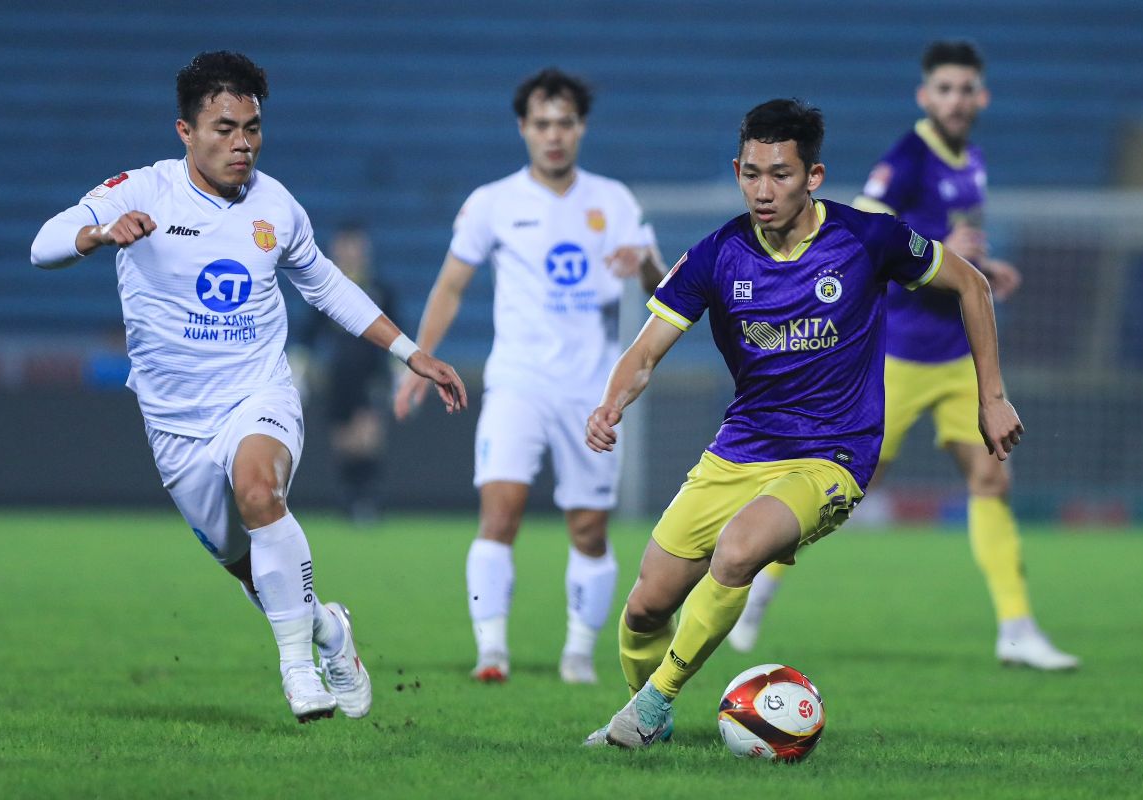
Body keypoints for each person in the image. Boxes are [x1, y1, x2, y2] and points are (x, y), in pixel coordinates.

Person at [30, 51, 467, 722]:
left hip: (256, 391)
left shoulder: (276, 207)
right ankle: (329, 631)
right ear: (186, 132)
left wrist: (411, 353)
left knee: (261, 492)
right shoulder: (144, 191)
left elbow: (325, 285)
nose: (242, 144)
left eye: (253, 128)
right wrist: (97, 233)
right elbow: (43, 244)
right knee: (253, 569)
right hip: (176, 421)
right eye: (225, 128)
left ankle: (298, 672)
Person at [582, 98, 1023, 748]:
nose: (764, 190)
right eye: (752, 173)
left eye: (781, 175)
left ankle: (651, 708)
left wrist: (991, 397)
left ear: (813, 177)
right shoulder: (716, 255)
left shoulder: (867, 238)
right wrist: (611, 402)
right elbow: (645, 351)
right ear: (738, 168)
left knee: (736, 553)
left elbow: (972, 285)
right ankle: (649, 708)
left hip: (833, 455)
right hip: (740, 449)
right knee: (646, 606)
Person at [727, 41, 1078, 671]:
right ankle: (755, 594)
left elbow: (947, 255)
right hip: (896, 360)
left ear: (981, 96)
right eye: (943, 88)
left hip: (956, 358)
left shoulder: (970, 159)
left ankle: (1016, 628)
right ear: (925, 96)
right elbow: (870, 214)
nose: (955, 99)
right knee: (836, 495)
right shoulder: (909, 157)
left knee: (992, 478)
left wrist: (981, 266)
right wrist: (943, 243)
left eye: (965, 88)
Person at [393, 68, 664, 685]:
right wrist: (419, 358)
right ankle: (492, 652)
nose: (554, 135)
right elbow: (452, 284)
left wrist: (643, 261)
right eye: (542, 123)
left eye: (564, 122)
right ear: (523, 128)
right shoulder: (494, 202)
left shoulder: (612, 200)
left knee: (589, 528)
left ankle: (577, 653)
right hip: (518, 382)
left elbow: (660, 286)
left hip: (593, 389)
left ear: (580, 127)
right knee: (500, 512)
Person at [291, 222, 395, 524]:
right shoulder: (324, 288)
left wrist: (399, 372)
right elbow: (308, 334)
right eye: (344, 245)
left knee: (368, 435)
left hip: (370, 373)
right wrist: (299, 367)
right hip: (338, 375)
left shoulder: (379, 289)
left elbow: (396, 330)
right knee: (344, 441)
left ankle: (368, 499)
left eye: (355, 245)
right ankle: (350, 498)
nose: (350, 251)